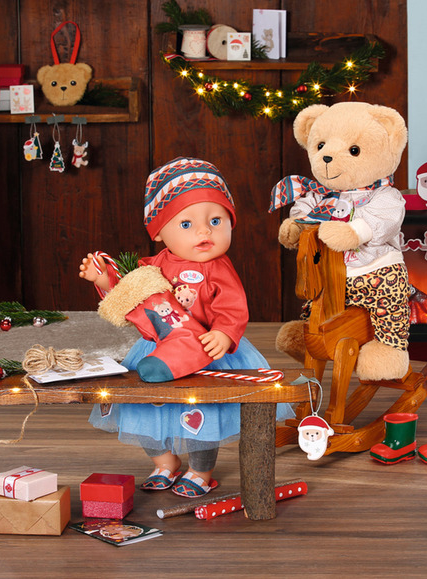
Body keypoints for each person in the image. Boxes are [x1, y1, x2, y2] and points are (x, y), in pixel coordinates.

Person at [80, 157, 293, 498]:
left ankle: (200, 469)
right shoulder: (155, 264)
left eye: (215, 220)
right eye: (186, 224)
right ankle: (164, 461)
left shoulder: (220, 268)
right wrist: (103, 277)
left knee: (203, 413)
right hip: (158, 348)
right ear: (160, 232)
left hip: (210, 351)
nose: (204, 232)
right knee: (144, 407)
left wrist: (224, 333)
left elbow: (232, 306)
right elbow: (129, 289)